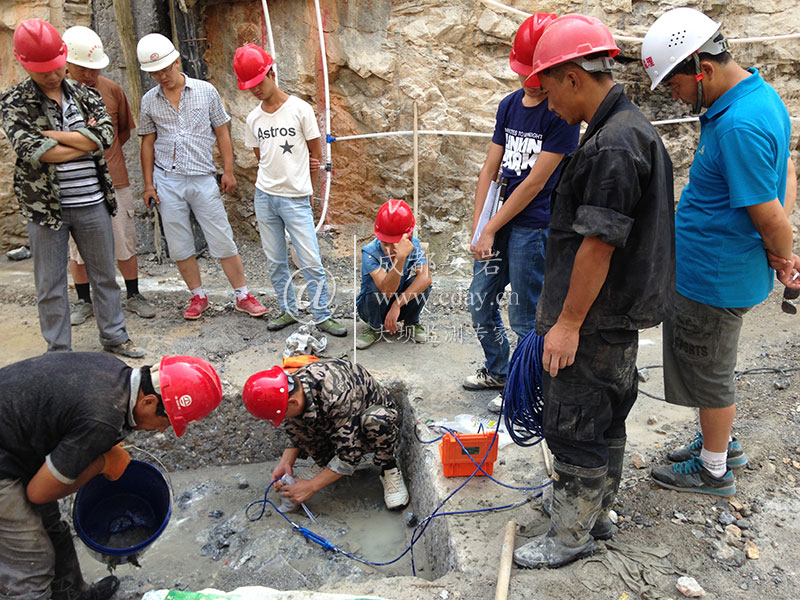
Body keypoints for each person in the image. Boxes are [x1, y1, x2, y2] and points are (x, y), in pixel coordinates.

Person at [511, 15, 675, 569]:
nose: (546, 102)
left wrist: (567, 323)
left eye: (547, 89)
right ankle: (593, 513)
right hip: (615, 318)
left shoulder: (614, 144)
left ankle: (570, 536)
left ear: (573, 77)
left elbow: (599, 245)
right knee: (607, 417)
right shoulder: (627, 129)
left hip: (595, 319)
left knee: (574, 424)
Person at [641, 8, 800, 496]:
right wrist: (778, 249)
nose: (675, 96)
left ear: (702, 69)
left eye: (675, 85)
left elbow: (769, 215)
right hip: (721, 267)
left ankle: (713, 470)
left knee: (709, 372)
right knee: (709, 364)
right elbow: (786, 170)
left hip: (714, 277)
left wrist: (784, 255)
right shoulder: (757, 97)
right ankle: (720, 442)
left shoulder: (738, 126)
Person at [0, 352, 223, 600]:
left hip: (16, 435)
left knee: (50, 526)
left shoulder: (115, 372)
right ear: (149, 401)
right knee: (30, 562)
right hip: (5, 458)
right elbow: (39, 493)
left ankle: (73, 596)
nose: (162, 429)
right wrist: (102, 463)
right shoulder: (102, 418)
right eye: (166, 421)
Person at [0, 19, 144, 358]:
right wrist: (83, 143)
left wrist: (56, 138)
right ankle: (59, 352)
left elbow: (105, 138)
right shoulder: (14, 102)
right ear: (25, 65)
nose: (53, 76)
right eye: (43, 72)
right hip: (46, 209)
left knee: (104, 275)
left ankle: (114, 336)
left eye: (56, 68)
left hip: (93, 201)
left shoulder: (85, 95)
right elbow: (34, 151)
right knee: (50, 284)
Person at [464, 13, 580, 414]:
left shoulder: (560, 113)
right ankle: (499, 370)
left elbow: (534, 184)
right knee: (480, 301)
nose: (529, 80)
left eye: (536, 73)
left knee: (525, 315)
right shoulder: (510, 105)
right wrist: (480, 227)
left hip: (533, 227)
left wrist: (490, 228)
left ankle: (527, 388)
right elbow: (489, 169)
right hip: (499, 222)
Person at [137, 33, 267, 321]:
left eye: (165, 69)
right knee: (179, 242)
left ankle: (242, 295)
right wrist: (148, 185)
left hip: (202, 177)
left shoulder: (205, 91)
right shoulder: (149, 101)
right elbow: (147, 142)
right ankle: (198, 296)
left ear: (176, 61)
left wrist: (229, 171)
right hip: (167, 179)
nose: (162, 76)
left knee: (221, 236)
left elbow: (222, 132)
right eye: (155, 73)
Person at [233, 44, 346, 337]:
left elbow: (315, 153)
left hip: (295, 198)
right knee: (275, 260)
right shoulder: (253, 119)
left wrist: (307, 188)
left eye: (259, 82)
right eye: (250, 86)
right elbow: (261, 156)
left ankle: (322, 314)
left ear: (271, 73)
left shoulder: (299, 109)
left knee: (311, 260)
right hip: (265, 197)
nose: (256, 90)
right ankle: (288, 309)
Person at [62, 25, 156, 326]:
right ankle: (83, 300)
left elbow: (123, 131)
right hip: (75, 183)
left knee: (124, 238)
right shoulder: (57, 95)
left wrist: (108, 156)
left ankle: (134, 295)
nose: (90, 75)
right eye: (83, 69)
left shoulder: (113, 90)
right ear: (67, 63)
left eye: (95, 69)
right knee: (77, 247)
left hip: (115, 180)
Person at [242, 359, 410, 510]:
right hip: (342, 419)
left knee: (377, 421)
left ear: (293, 402)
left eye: (282, 415)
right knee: (298, 421)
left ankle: (389, 468)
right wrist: (286, 462)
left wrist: (311, 487)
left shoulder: (337, 395)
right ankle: (328, 464)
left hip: (368, 416)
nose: (283, 420)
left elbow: (350, 455)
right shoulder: (293, 389)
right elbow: (294, 427)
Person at [355, 199, 432, 349]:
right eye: (385, 244)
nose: (389, 250)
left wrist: (397, 305)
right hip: (370, 308)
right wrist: (400, 258)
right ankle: (374, 327)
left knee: (422, 283)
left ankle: (411, 322)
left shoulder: (413, 245)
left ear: (408, 238)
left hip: (397, 305)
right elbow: (388, 291)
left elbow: (425, 278)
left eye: (395, 245)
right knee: (376, 284)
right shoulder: (370, 253)